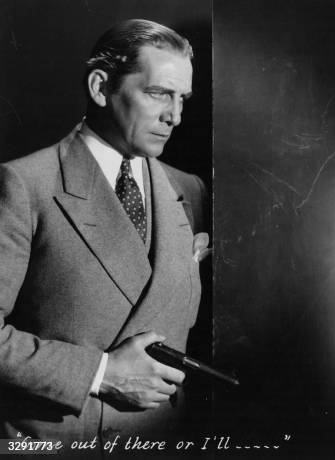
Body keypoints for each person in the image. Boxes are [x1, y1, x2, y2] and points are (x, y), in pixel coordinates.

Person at [0, 19, 209, 449]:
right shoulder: (24, 185)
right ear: (100, 87)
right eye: (158, 93)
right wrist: (100, 374)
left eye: (182, 98)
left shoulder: (188, 190)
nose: (175, 116)